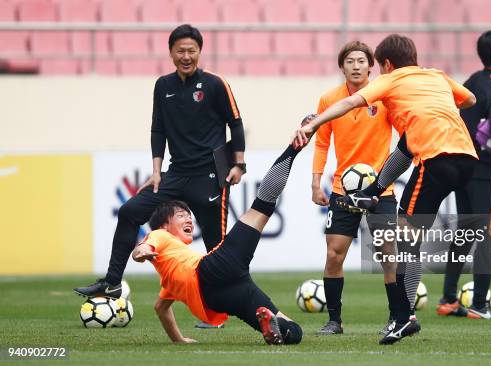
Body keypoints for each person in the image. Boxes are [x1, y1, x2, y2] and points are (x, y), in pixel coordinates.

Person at [292, 34, 478, 344]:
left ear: (384, 65)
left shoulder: (388, 85)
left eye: (368, 63)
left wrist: (311, 125)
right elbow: (469, 100)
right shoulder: (436, 76)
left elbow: (354, 101)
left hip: (434, 159)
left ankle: (403, 316)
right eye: (349, 61)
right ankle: (357, 317)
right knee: (406, 155)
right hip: (467, 157)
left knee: (402, 240)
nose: (359, 67)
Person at [75, 24, 246, 330]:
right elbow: (158, 129)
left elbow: (235, 123)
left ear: (200, 52)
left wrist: (238, 165)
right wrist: (156, 172)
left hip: (210, 175)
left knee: (216, 247)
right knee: (129, 212)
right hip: (176, 173)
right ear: (170, 53)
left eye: (191, 50)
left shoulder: (216, 84)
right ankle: (113, 283)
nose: (186, 56)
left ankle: (217, 312)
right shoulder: (162, 85)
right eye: (180, 50)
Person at [131, 142, 308, 345]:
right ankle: (294, 147)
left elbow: (160, 308)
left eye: (189, 216)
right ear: (164, 225)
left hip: (224, 295)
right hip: (215, 269)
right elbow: (142, 248)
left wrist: (179, 340)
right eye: (181, 215)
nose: (189, 220)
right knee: (262, 205)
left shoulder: (169, 281)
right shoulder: (160, 235)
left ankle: (274, 328)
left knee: (293, 332)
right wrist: (141, 253)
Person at [311, 41, 408, 335]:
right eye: (350, 61)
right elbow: (322, 141)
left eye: (361, 61)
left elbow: (406, 136)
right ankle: (334, 321)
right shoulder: (329, 99)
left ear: (371, 66)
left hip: (381, 191)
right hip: (343, 190)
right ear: (342, 66)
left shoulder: (384, 98)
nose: (356, 66)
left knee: (387, 253)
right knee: (334, 254)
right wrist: (316, 182)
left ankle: (397, 318)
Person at [437, 30, 491, 320]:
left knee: (464, 233)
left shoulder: (472, 82)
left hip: (463, 166)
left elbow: (455, 114)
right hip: (487, 171)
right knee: (488, 235)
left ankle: (448, 299)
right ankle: (480, 305)